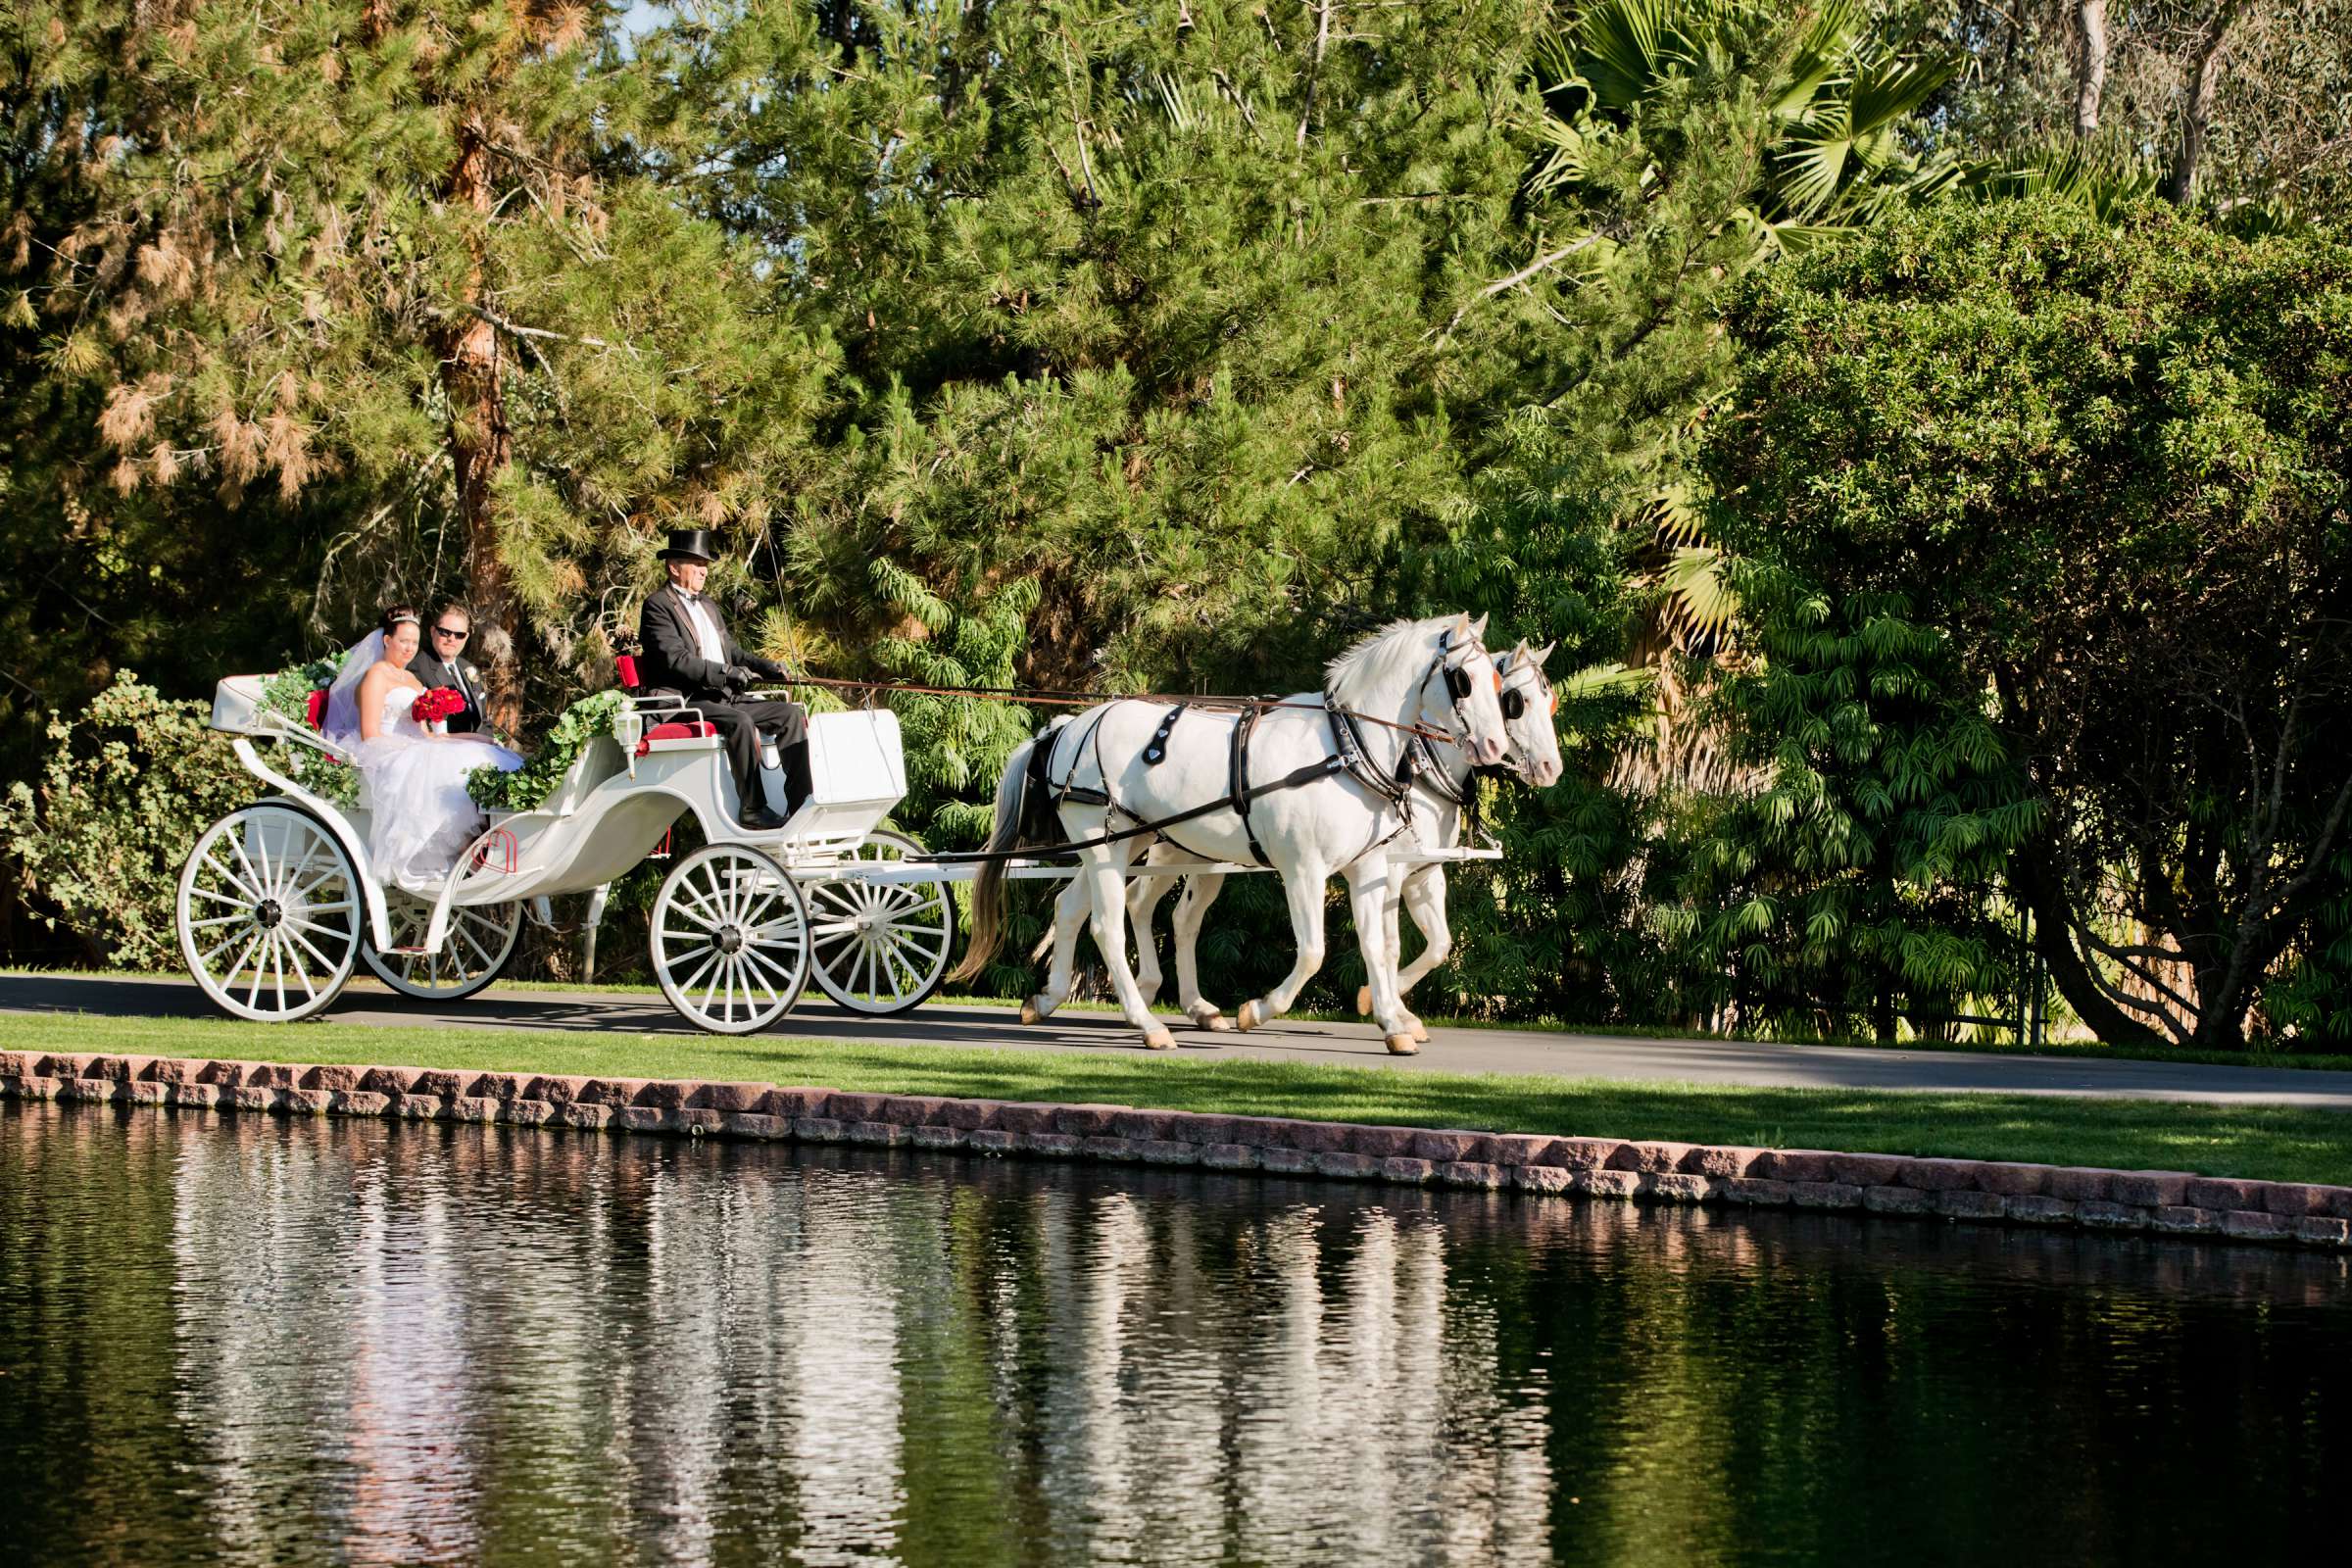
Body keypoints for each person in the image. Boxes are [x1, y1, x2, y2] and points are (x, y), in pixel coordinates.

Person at [324, 607, 525, 885]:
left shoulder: (412, 679)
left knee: (484, 753)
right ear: (387, 640)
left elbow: (428, 736)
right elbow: (370, 734)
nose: (409, 648)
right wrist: (415, 748)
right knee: (442, 769)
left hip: (418, 745)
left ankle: (489, 844)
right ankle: (464, 849)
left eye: (414, 643)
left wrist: (470, 738)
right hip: (385, 749)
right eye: (403, 641)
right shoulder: (376, 675)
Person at [636, 528, 809, 832]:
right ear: (674, 568)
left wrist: (766, 666)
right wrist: (725, 673)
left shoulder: (708, 606)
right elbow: (675, 660)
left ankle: (801, 803)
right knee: (739, 721)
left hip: (723, 697)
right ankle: (753, 809)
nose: (704, 571)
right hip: (686, 699)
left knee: (790, 714)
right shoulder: (658, 606)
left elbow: (732, 651)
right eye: (696, 564)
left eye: (705, 565)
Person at [406, 601, 490, 736]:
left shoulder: (468, 668)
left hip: (481, 749)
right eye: (445, 632)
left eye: (459, 635)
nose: (451, 639)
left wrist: (489, 746)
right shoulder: (417, 668)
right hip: (442, 749)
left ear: (466, 637)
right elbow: (418, 724)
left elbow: (484, 720)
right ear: (433, 631)